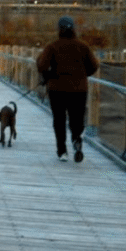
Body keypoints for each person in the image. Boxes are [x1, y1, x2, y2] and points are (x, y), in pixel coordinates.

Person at [36, 16, 99, 163]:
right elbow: (94, 66)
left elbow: (41, 65)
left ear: (60, 30)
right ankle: (77, 138)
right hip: (79, 90)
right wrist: (83, 75)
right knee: (76, 118)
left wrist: (49, 74)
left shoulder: (53, 46)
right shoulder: (83, 47)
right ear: (73, 30)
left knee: (59, 120)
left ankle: (62, 151)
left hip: (57, 89)